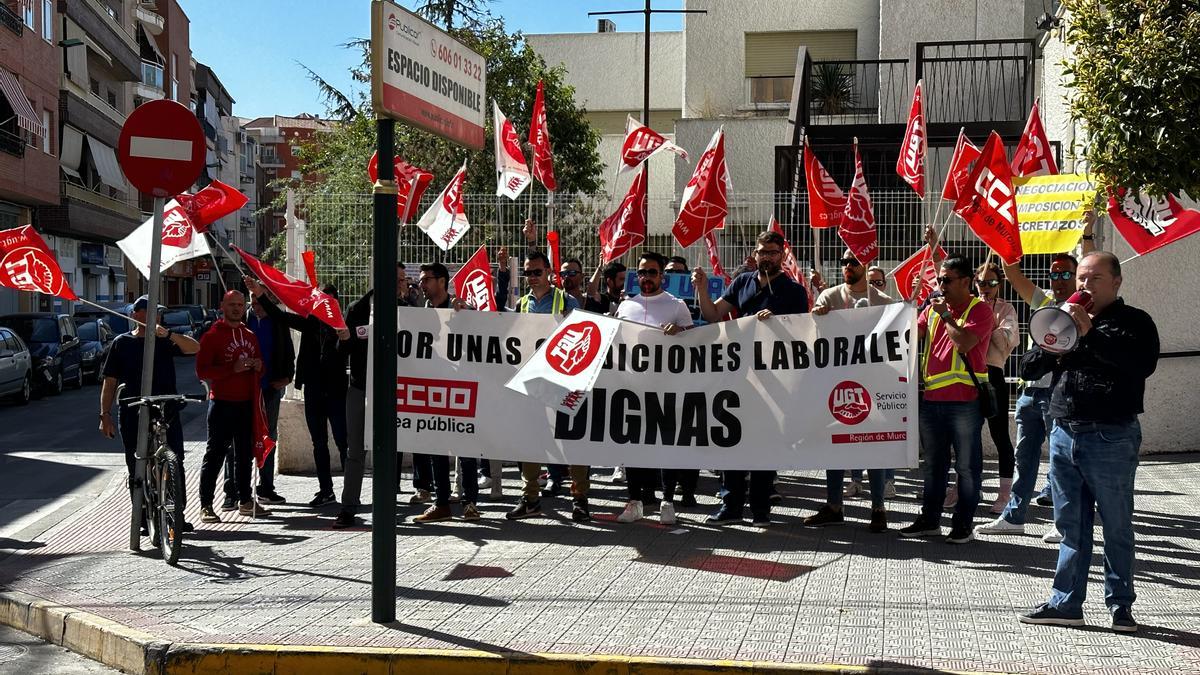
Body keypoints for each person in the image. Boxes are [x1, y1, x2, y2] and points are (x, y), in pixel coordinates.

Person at [1017, 251, 1158, 634]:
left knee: (1116, 525)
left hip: (1110, 435)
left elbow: (1140, 363)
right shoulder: (1064, 320)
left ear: (1116, 283)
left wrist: (1090, 333)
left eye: (1094, 279)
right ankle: (1066, 604)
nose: (1084, 285)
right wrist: (1053, 338)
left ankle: (1120, 606)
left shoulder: (1134, 322)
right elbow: (1028, 367)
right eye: (1081, 278)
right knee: (1071, 526)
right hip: (1064, 433)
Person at [977, 215, 1098, 541]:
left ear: (1078, 277)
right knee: (1024, 458)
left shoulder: (1086, 306)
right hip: (1031, 392)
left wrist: (1087, 234)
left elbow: (1090, 263)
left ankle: (1064, 521)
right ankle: (1014, 516)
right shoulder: (1044, 300)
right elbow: (1014, 275)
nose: (1059, 279)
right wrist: (1004, 236)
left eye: (1066, 274)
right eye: (1054, 273)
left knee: (1061, 461)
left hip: (1061, 395)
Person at [693, 230, 809, 526]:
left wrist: (777, 325)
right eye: (762, 252)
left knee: (763, 445)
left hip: (773, 381)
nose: (766, 257)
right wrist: (703, 290)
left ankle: (760, 510)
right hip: (738, 378)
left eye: (772, 252)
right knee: (733, 441)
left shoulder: (794, 291)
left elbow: (800, 337)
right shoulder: (742, 282)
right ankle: (730, 506)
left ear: (782, 255)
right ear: (755, 255)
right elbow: (713, 315)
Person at [899, 254, 994, 544]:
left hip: (965, 402)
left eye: (947, 280)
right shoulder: (932, 308)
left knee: (966, 466)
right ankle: (930, 520)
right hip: (932, 400)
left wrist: (946, 316)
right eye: (939, 279)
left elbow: (963, 342)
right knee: (933, 465)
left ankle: (963, 524)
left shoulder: (979, 310)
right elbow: (908, 334)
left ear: (966, 282)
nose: (941, 285)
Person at [804, 250, 894, 532]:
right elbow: (813, 336)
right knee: (835, 445)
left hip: (873, 385)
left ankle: (878, 508)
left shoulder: (884, 302)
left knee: (874, 447)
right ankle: (834, 506)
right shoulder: (829, 297)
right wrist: (819, 317)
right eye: (843, 261)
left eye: (853, 261)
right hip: (836, 384)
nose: (847, 266)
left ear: (865, 264)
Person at [498, 250, 591, 522]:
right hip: (534, 382)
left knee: (571, 443)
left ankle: (580, 499)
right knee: (530, 442)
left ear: (549, 272)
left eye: (537, 272)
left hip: (565, 381)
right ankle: (530, 499)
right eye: (527, 272)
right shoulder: (523, 304)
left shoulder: (567, 301)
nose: (532, 277)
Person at [245, 278, 350, 508]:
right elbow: (280, 315)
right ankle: (326, 490)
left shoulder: (342, 325)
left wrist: (345, 340)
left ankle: (350, 491)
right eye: (320, 301)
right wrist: (260, 294)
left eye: (328, 302)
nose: (323, 305)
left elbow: (348, 354)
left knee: (344, 441)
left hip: (336, 391)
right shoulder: (310, 322)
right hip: (314, 389)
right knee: (318, 442)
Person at [99, 296, 200, 532]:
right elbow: (110, 381)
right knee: (137, 463)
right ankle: (142, 515)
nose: (156, 316)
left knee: (175, 459)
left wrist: (169, 335)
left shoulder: (164, 339)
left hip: (166, 407)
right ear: (135, 315)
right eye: (150, 311)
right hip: (132, 409)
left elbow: (194, 347)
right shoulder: (121, 343)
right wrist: (104, 414)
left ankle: (177, 512)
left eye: (158, 312)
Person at [614, 252, 693, 526]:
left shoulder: (677, 305)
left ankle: (667, 500)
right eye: (642, 272)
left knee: (666, 445)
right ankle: (634, 501)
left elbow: (695, 343)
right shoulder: (626, 306)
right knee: (633, 445)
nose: (646, 277)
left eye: (652, 272)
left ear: (663, 276)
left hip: (667, 389)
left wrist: (680, 331)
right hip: (632, 388)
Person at [332, 263, 410, 529]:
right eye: (397, 279)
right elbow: (342, 351)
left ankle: (387, 503)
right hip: (361, 388)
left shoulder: (409, 310)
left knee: (389, 450)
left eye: (403, 280)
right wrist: (344, 338)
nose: (401, 284)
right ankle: (348, 507)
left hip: (395, 392)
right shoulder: (358, 309)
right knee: (355, 451)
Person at [412, 262, 481, 523]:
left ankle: (470, 503)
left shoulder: (459, 308)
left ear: (442, 281)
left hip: (460, 386)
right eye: (421, 280)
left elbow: (481, 333)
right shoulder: (422, 312)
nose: (423, 285)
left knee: (466, 447)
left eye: (427, 280)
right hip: (433, 388)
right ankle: (441, 503)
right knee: (435, 446)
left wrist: (468, 314)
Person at [195, 290, 266, 523]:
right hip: (222, 403)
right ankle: (206, 505)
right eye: (232, 304)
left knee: (245, 455)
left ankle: (245, 500)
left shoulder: (249, 334)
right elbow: (202, 371)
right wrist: (230, 370)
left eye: (240, 304)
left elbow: (260, 366)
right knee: (215, 454)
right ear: (222, 306)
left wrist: (257, 365)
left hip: (246, 404)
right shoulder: (212, 336)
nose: (237, 308)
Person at [844, 265, 898, 500]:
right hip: (857, 383)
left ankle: (888, 482)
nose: (874, 287)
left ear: (884, 285)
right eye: (870, 282)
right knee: (856, 433)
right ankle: (856, 480)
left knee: (884, 436)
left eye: (878, 283)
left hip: (883, 383)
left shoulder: (892, 310)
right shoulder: (854, 312)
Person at [972, 262, 1018, 513]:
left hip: (993, 375)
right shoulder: (968, 305)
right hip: (967, 376)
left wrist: (986, 321)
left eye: (991, 282)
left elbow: (1008, 341)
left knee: (999, 435)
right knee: (967, 436)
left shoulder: (1005, 308)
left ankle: (1004, 493)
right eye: (981, 282)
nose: (985, 287)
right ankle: (967, 486)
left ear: (999, 284)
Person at [244, 292, 294, 507]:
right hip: (245, 389)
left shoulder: (278, 320)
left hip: (270, 388)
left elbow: (288, 350)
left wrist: (287, 377)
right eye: (253, 303)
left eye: (260, 303)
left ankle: (266, 487)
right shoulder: (244, 320)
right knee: (241, 439)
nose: (255, 307)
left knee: (268, 436)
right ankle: (236, 490)